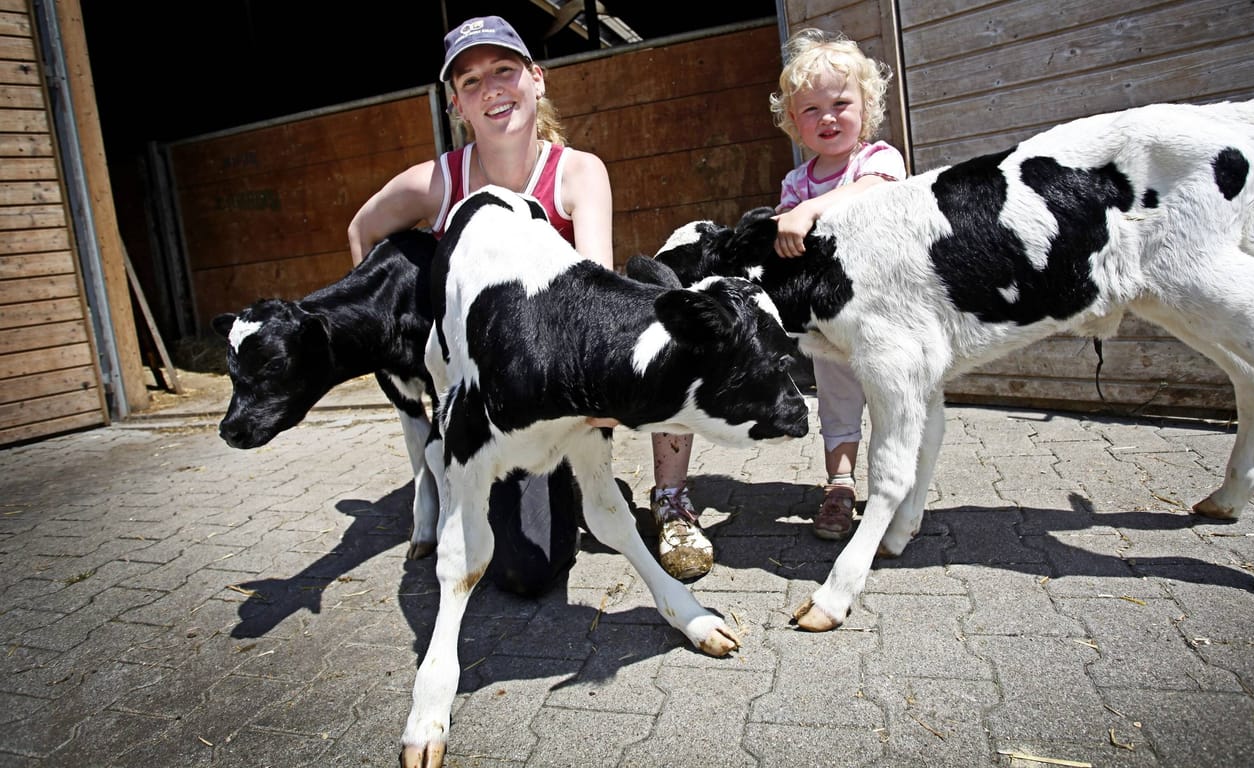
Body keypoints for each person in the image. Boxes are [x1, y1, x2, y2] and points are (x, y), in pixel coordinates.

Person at [347, 15, 710, 588]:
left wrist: (602, 401)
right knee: (527, 573)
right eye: (469, 82)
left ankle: (669, 499)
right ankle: (515, 478)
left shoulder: (576, 173)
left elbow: (592, 297)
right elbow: (361, 231)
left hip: (568, 380)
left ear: (536, 79)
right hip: (496, 406)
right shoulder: (439, 183)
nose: (490, 88)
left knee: (674, 314)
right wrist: (409, 365)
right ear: (457, 107)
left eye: (504, 70)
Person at [768, 28, 907, 540]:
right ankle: (840, 486)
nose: (827, 118)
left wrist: (808, 211)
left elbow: (871, 195)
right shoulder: (795, 184)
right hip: (831, 321)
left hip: (886, 313)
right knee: (837, 400)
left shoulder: (877, 161)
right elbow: (784, 241)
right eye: (811, 110)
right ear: (793, 121)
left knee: (895, 398)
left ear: (866, 106)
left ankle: (896, 487)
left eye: (841, 103)